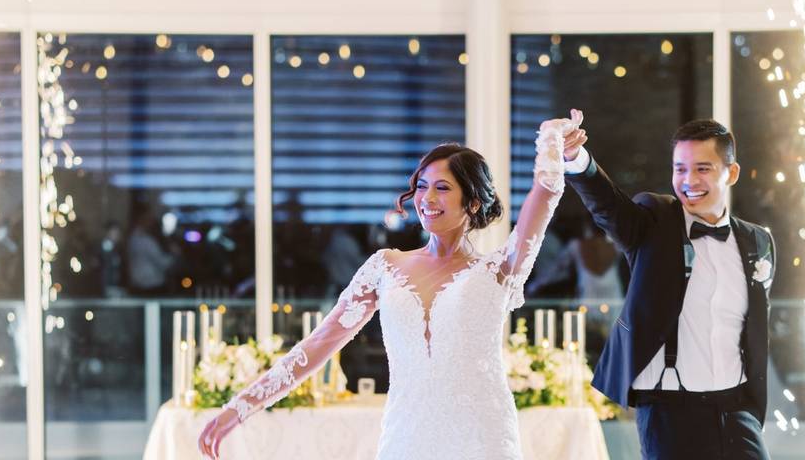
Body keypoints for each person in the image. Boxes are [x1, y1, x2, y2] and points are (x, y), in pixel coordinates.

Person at [198, 114, 579, 460]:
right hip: (406, 437)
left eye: (443, 188)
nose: (427, 199)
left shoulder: (500, 268)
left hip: (482, 437)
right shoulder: (384, 266)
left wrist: (550, 138)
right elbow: (317, 345)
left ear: (474, 202)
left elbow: (545, 193)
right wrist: (241, 406)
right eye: (422, 186)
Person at [563, 116, 775, 460]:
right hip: (670, 410)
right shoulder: (656, 221)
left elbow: (752, 328)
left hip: (736, 410)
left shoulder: (757, 241)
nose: (689, 181)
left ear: (731, 173)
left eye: (702, 169)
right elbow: (608, 207)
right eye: (680, 169)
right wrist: (577, 159)